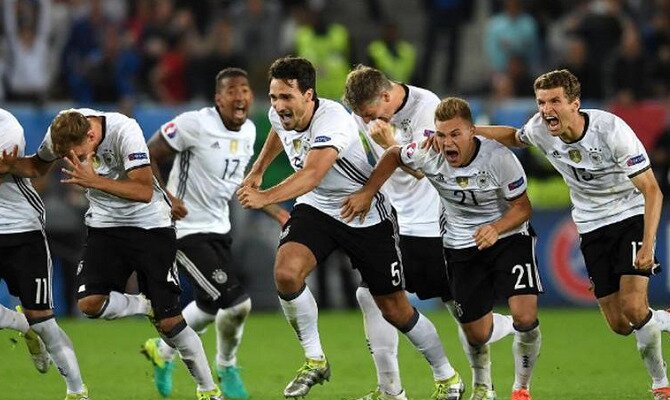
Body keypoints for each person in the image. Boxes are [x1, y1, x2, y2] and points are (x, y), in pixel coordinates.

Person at [236, 56, 464, 400]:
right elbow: (277, 132)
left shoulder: (334, 120)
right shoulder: (278, 113)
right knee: (286, 273)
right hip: (318, 207)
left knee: (394, 308)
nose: (278, 106)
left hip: (363, 212)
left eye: (286, 98)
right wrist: (257, 169)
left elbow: (312, 173)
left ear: (309, 95)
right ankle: (314, 359)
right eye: (273, 97)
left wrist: (265, 194)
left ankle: (447, 376)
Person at [0, 108, 224, 400]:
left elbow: (144, 190)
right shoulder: (62, 131)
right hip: (104, 226)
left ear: (92, 136)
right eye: (66, 154)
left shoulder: (124, 131)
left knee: (170, 322)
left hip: (150, 225)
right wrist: (10, 164)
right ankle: (144, 305)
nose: (74, 159)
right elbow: (37, 169)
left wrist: (95, 181)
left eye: (79, 153)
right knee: (90, 304)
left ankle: (208, 390)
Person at [476, 69, 670, 400]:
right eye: (541, 102)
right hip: (591, 226)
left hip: (629, 216)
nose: (546, 109)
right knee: (620, 325)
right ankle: (663, 319)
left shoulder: (610, 130)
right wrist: (470, 132)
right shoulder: (539, 129)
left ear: (574, 104)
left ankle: (660, 385)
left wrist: (648, 245)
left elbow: (652, 190)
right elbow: (514, 137)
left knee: (635, 308)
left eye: (554, 101)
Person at [341, 97, 542, 400]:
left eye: (455, 134)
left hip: (509, 237)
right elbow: (394, 154)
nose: (447, 143)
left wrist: (495, 229)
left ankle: (520, 389)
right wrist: (369, 191)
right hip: (460, 244)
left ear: (472, 132)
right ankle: (483, 381)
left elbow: (523, 208)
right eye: (442, 135)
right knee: (477, 333)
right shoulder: (427, 153)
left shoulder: (498, 158)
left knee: (525, 317)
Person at [140, 67, 289, 399]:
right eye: (232, 91)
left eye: (245, 90)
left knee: (208, 305)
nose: (240, 96)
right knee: (236, 304)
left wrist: (272, 207)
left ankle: (161, 352)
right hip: (183, 229)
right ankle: (227, 367)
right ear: (218, 99)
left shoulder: (249, 131)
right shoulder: (194, 123)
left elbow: (234, 181)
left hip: (219, 227)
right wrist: (166, 196)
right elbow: (149, 153)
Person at [0, 108, 88, 400]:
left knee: (45, 321)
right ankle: (21, 324)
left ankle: (77, 392)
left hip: (21, 230)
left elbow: (5, 172)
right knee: (33, 321)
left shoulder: (7, 126)